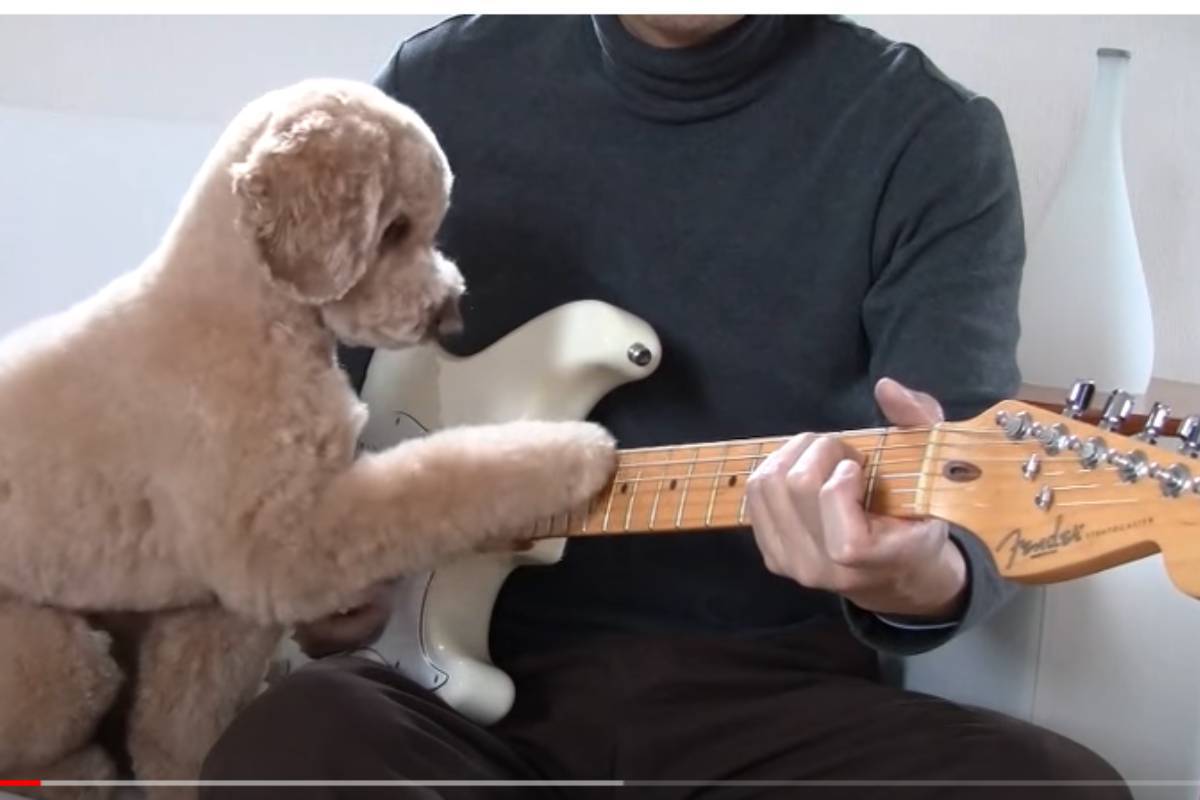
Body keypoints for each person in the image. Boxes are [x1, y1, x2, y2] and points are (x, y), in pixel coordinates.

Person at [201, 15, 1129, 798]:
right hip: (449, 704)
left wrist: (917, 571)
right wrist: (318, 580)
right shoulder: (434, 88)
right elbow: (311, 422)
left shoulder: (926, 136)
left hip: (775, 710)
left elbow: (970, 499)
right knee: (288, 745)